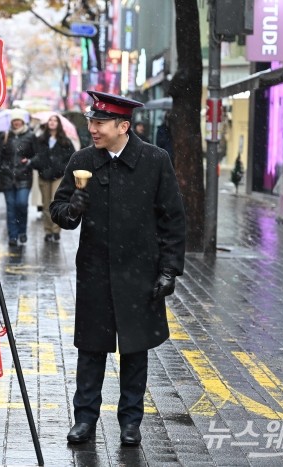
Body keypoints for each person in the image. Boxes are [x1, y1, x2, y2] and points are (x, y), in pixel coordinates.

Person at [50, 91, 185, 447]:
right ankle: (84, 419)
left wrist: (169, 269)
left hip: (140, 271)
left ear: (123, 126)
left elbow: (172, 218)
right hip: (94, 270)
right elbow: (59, 212)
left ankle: (130, 422)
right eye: (91, 121)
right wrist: (73, 209)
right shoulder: (82, 160)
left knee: (135, 350)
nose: (92, 128)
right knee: (91, 349)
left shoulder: (155, 160)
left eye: (99, 123)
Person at [26, 114, 74, 242]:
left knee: (56, 203)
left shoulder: (65, 141)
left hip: (58, 177)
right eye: (50, 120)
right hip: (44, 176)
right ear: (47, 124)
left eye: (55, 121)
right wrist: (37, 164)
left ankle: (56, 230)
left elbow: (71, 158)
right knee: (46, 205)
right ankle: (48, 231)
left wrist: (62, 168)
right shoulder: (41, 140)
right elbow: (35, 156)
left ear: (58, 124)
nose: (52, 123)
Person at [0, 108, 36, 247]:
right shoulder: (5, 136)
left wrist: (29, 161)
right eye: (14, 121)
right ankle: (13, 235)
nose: (16, 123)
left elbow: (37, 154)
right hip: (7, 177)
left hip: (24, 176)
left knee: (22, 204)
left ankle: (22, 231)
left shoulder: (30, 136)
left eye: (18, 120)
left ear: (22, 121)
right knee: (11, 207)